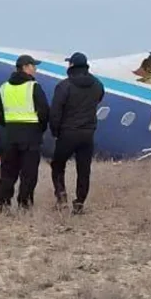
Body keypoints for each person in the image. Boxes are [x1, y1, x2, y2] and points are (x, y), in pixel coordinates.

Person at [49, 52, 105, 214]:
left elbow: (55, 112)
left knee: (58, 165)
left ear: (71, 65)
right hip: (87, 133)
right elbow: (99, 99)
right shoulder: (97, 85)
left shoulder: (64, 86)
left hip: (67, 132)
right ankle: (79, 203)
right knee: (84, 169)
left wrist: (55, 131)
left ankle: (61, 197)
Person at [0, 55, 50, 213]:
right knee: (29, 173)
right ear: (26, 67)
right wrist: (40, 128)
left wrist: (9, 125)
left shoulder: (4, 87)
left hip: (10, 134)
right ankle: (24, 204)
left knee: (7, 172)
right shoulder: (33, 86)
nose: (36, 69)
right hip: (31, 135)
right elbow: (44, 111)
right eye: (34, 66)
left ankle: (3, 204)